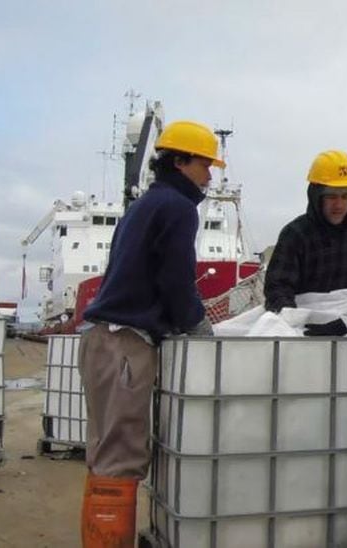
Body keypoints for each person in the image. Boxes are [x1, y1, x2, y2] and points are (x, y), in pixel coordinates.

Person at [79, 120, 222, 546]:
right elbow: (175, 280)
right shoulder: (178, 208)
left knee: (105, 455)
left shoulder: (144, 206)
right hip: (126, 345)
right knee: (120, 459)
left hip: (103, 339)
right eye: (204, 164)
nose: (209, 175)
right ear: (180, 161)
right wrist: (198, 326)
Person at [263, 150, 347, 336]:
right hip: (304, 325)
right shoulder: (295, 234)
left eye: (346, 197)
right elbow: (278, 288)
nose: (339, 204)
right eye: (331, 196)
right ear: (316, 196)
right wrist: (298, 323)